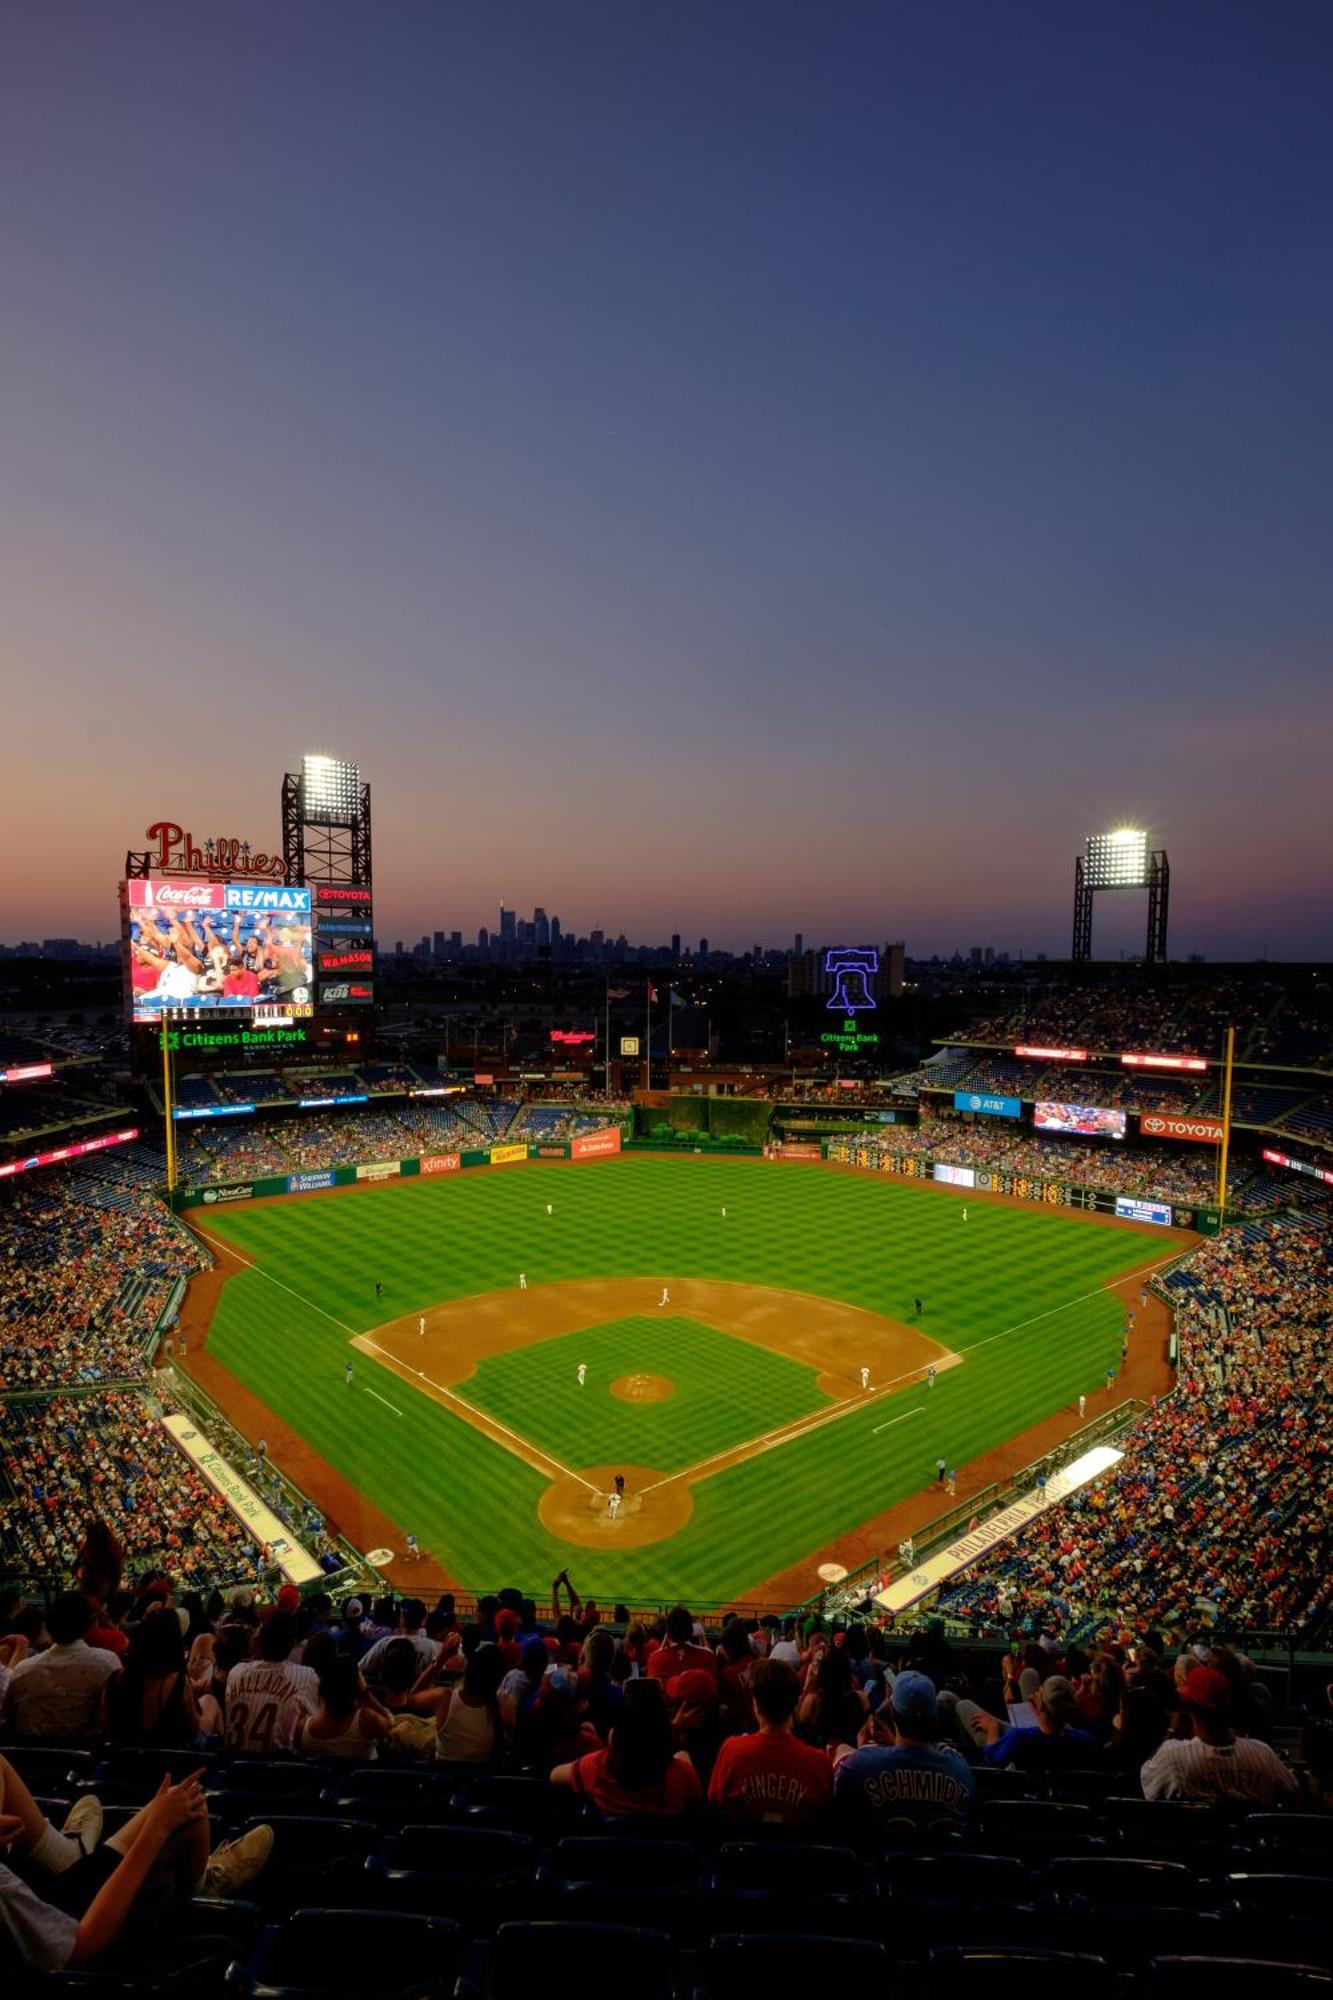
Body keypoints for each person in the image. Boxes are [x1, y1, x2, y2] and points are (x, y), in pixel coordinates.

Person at [0, 1754, 271, 1972]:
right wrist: (156, 1831)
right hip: (85, 1923)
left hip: (50, 1894)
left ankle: (69, 1854)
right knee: (190, 1808)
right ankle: (203, 1884)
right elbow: (80, 1948)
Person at [833, 1671, 975, 1837]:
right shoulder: (960, 1768)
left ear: (893, 1713)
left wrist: (863, 1752)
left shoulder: (859, 1764)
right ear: (935, 1717)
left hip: (877, 1860)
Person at [1141, 1668, 1299, 1805]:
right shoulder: (1263, 1754)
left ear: (1190, 1709)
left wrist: (1171, 1730)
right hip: (1250, 1838)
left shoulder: (1172, 1757)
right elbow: (1292, 1792)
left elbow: (1149, 1790)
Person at [708, 1658, 832, 1827]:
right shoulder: (820, 1763)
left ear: (756, 1706)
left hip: (740, 1852)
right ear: (794, 1704)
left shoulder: (731, 1751)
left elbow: (716, 1806)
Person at [551, 1680, 701, 1817]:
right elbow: (696, 1804)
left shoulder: (595, 1767)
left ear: (618, 1730)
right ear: (664, 1728)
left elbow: (554, 1775)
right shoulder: (682, 1775)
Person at [5, 1592, 121, 1742]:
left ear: (47, 1624)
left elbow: (7, 1719)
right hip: (88, 1760)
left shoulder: (24, 1669)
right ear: (91, 1623)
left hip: (26, 1760)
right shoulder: (107, 1663)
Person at [106, 1606, 200, 1750]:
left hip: (119, 1762)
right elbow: (194, 1729)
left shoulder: (116, 1679)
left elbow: (103, 1723)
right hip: (166, 1763)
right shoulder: (176, 1682)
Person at [224, 1612, 318, 1754]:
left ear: (259, 1641)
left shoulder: (236, 1671)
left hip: (232, 1767)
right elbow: (314, 1726)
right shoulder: (306, 1676)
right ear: (292, 1644)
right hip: (277, 1770)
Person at [409, 1643, 505, 1765]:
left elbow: (411, 1699)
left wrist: (440, 1659)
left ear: (468, 1671)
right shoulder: (500, 1706)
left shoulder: (444, 1698)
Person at [297, 1657, 391, 1762]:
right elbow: (390, 1724)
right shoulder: (367, 1720)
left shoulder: (301, 1729)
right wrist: (365, 1692)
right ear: (356, 1686)